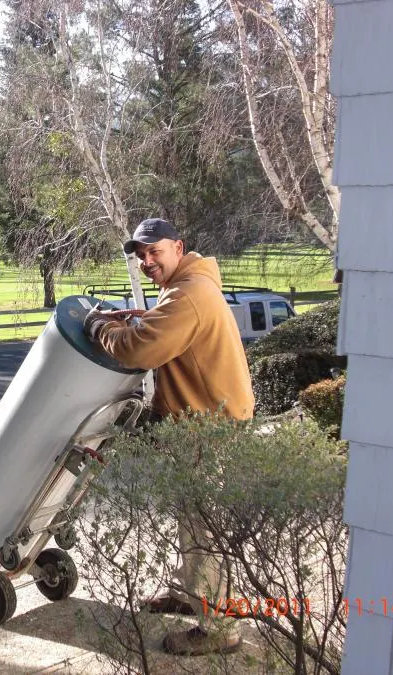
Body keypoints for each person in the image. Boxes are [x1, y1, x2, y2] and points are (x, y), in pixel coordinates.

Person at [83, 217, 255, 656]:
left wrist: (99, 329)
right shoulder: (190, 284)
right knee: (192, 518)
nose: (146, 261)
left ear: (178, 247)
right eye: (140, 255)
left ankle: (218, 628)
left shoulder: (189, 293)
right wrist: (143, 318)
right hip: (205, 420)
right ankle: (187, 591)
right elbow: (168, 331)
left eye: (154, 251)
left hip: (208, 427)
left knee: (204, 529)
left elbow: (141, 348)